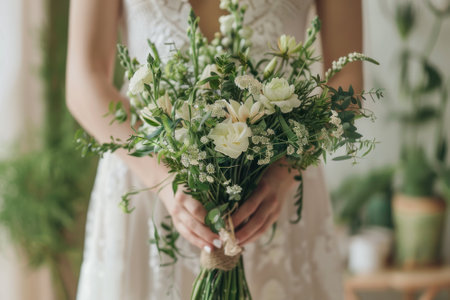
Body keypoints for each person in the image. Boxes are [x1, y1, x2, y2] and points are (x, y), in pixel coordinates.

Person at [66, 0, 363, 299]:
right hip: (147, 180)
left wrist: (283, 172)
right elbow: (83, 79)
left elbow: (349, 83)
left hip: (275, 195)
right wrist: (165, 179)